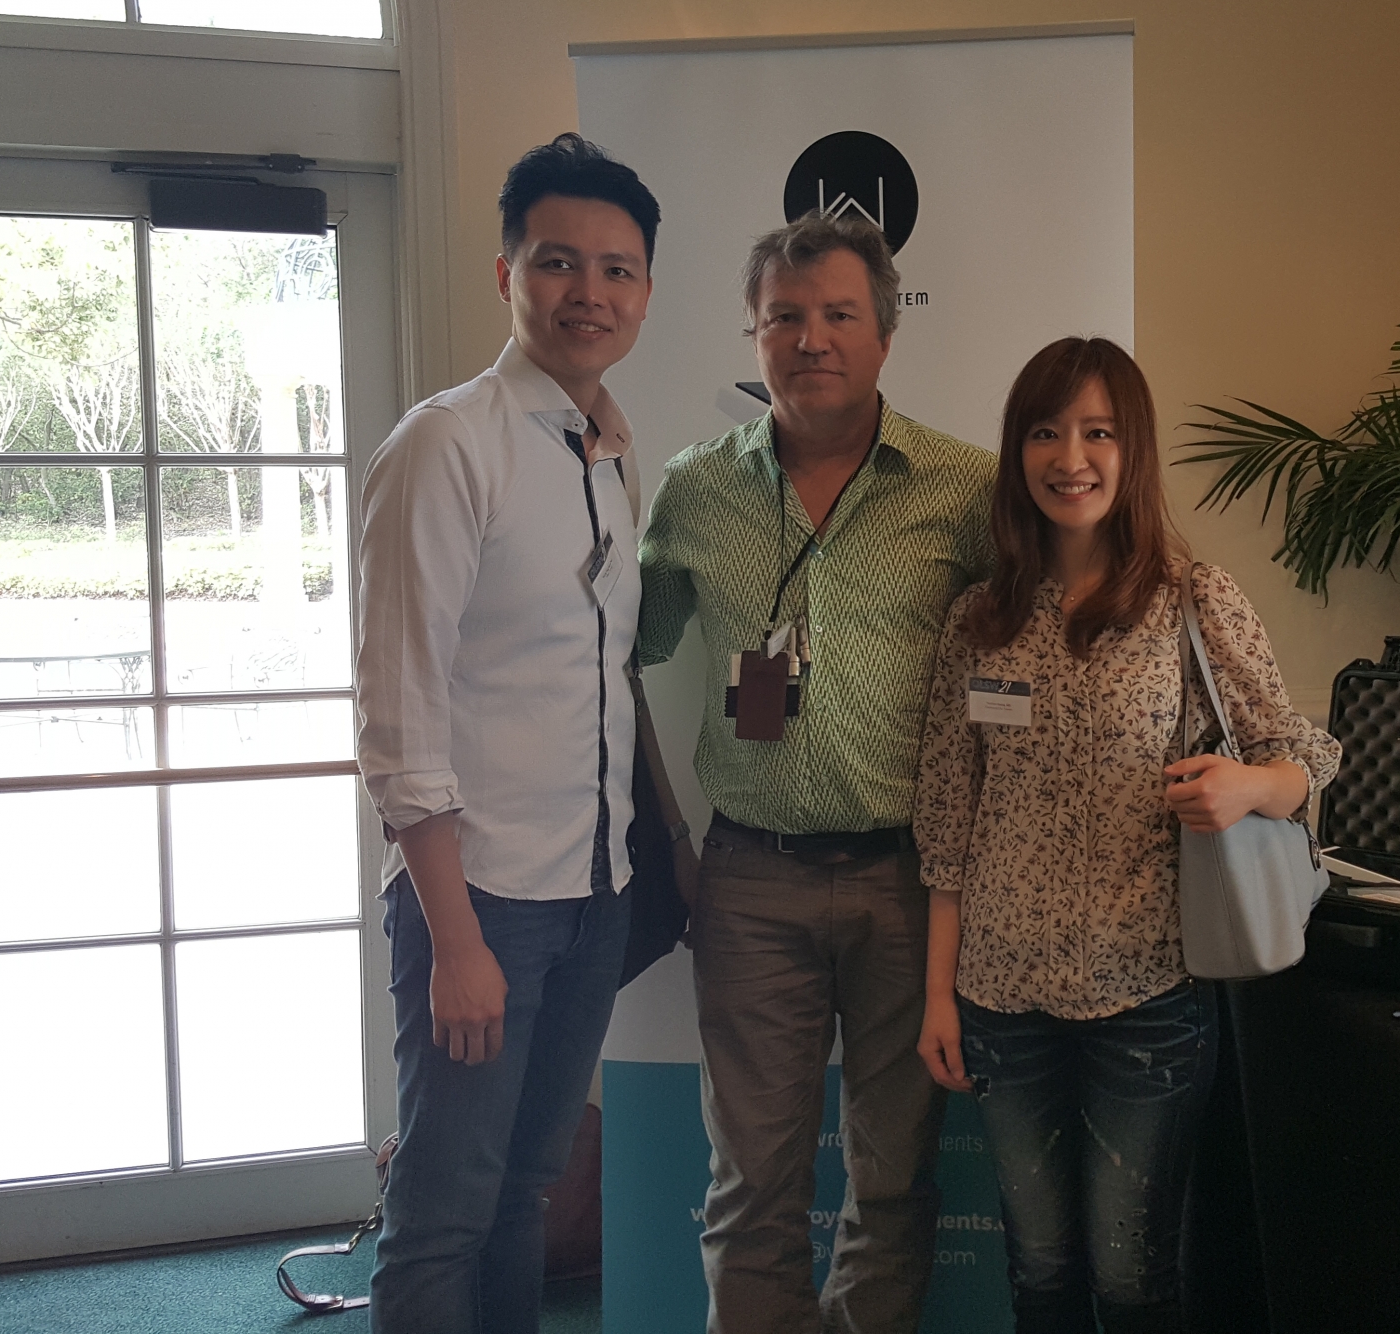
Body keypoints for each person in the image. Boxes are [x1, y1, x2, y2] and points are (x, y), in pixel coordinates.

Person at [910, 337, 1341, 1334]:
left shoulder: (1191, 598)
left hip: (1147, 997)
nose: (1072, 458)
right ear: (1017, 452)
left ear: (1132, 449)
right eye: (1046, 432)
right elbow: (948, 823)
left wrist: (1245, 786)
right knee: (1040, 1272)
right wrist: (938, 996)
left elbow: (1303, 756)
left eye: (1098, 432)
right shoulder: (979, 617)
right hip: (999, 998)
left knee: (1133, 1277)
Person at [637, 211, 996, 1334]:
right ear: (754, 334)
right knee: (751, 1185)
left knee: (892, 1183)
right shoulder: (695, 489)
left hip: (911, 885)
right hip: (750, 881)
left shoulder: (966, 490)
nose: (811, 338)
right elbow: (616, 652)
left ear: (885, 332)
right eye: (784, 316)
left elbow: (1041, 651)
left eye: (839, 314)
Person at [355, 133, 681, 1331]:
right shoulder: (448, 444)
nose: (587, 292)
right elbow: (398, 714)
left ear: (644, 292)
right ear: (507, 275)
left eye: (616, 269)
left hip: (593, 894)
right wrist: (453, 940)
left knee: (525, 1196)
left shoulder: (608, 455)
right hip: (481, 899)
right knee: (444, 1211)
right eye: (557, 262)